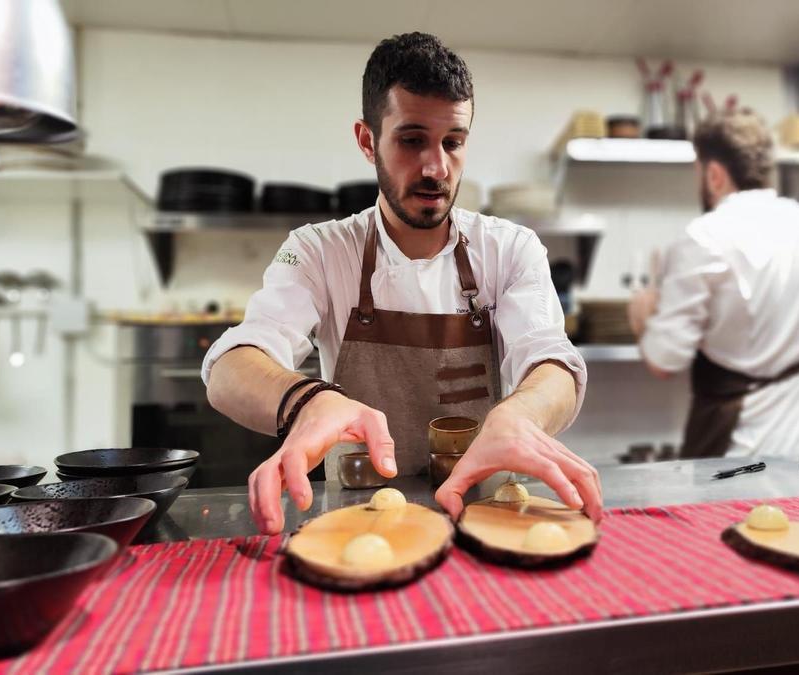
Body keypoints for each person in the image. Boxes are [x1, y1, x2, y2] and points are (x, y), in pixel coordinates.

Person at [203, 32, 601, 534]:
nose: (437, 167)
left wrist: (522, 413)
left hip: (485, 520)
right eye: (412, 140)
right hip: (357, 525)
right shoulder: (318, 250)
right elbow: (231, 366)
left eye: (453, 142)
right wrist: (309, 400)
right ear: (368, 141)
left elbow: (552, 360)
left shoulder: (510, 248)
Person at [628, 109, 799, 459]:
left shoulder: (703, 238)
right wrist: (797, 313)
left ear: (714, 174)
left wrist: (642, 314)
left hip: (731, 453)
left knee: (730, 517)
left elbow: (665, 361)